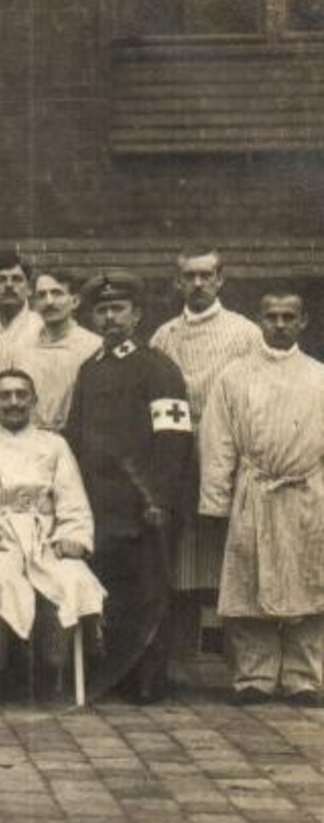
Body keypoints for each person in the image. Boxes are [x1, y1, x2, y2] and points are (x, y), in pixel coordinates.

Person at [64, 272, 193, 704]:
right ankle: (113, 673)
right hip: (99, 504)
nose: (109, 317)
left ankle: (148, 680)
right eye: (101, 310)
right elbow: (76, 437)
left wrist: (158, 499)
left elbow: (174, 440)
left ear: (137, 315)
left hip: (143, 504)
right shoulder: (90, 369)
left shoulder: (157, 368)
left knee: (148, 590)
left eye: (118, 308)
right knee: (110, 590)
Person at [0, 369, 105, 690]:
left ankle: (55, 659)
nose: (13, 402)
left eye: (21, 395)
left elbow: (73, 501)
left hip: (45, 540)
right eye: (4, 395)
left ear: (34, 400)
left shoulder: (54, 446)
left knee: (73, 578)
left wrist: (73, 537)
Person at [199, 290, 324, 707]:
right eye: (271, 316)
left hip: (308, 494)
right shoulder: (234, 376)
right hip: (254, 493)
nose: (280, 324)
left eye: (289, 316)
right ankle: (255, 675)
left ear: (303, 321)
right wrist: (216, 501)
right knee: (249, 584)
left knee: (310, 583)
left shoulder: (318, 376)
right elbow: (218, 442)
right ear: (260, 319)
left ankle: (304, 677)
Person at [149, 245, 263, 680]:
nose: (197, 284)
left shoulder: (245, 334)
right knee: (179, 557)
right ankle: (178, 666)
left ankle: (239, 666)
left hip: (229, 455)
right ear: (178, 281)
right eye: (189, 277)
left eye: (206, 276)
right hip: (177, 459)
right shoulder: (164, 336)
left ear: (220, 280)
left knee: (229, 557)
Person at [0, 272, 101, 431]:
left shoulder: (93, 347)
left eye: (57, 293)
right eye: (41, 296)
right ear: (33, 304)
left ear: (75, 301)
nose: (49, 302)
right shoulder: (20, 346)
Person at [0, 251, 42, 344]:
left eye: (16, 279)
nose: (9, 285)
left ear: (30, 289)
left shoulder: (42, 327)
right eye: (1, 279)